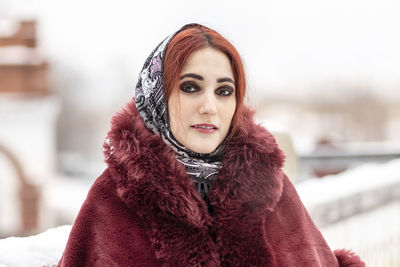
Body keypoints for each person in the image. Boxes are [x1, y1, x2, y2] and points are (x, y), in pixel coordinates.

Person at [58, 23, 364, 266]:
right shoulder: (115, 196)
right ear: (157, 96)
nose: (209, 106)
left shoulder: (270, 185)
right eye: (190, 87)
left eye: (224, 91)